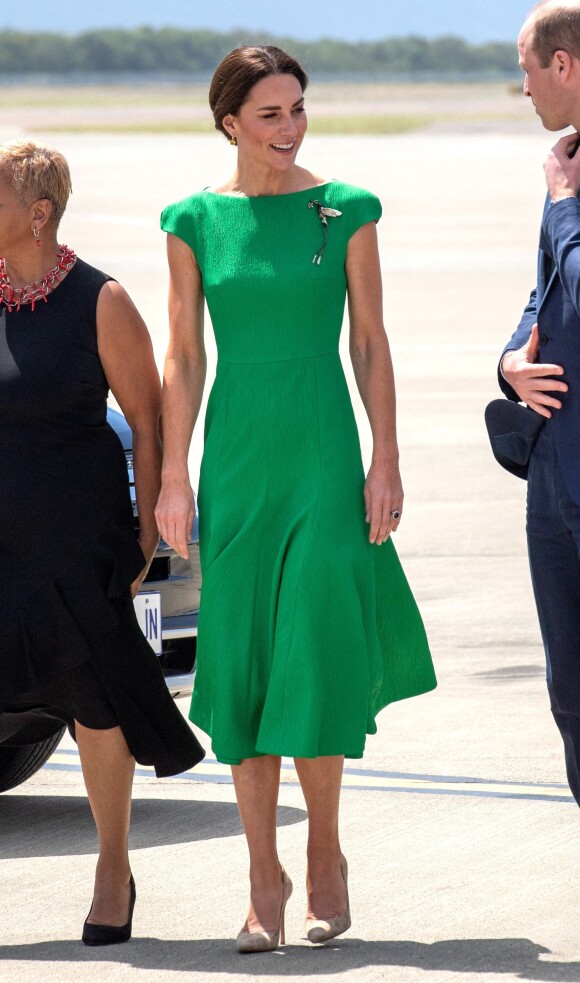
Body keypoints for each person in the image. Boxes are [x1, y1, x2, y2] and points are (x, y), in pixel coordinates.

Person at [156, 46, 435, 953]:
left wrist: (384, 458)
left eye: (298, 109)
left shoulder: (346, 208)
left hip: (322, 453)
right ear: (229, 120)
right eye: (270, 113)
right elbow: (186, 356)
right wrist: (171, 473)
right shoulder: (195, 220)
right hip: (238, 460)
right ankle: (260, 878)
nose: (289, 128)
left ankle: (323, 853)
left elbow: (370, 341)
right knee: (242, 662)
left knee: (312, 650)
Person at [0, 140, 204, 945]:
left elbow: (147, 420)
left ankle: (112, 865)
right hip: (1, 539)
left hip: (77, 536)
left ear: (38, 212)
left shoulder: (100, 299)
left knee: (93, 700)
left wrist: (148, 533)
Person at [498, 0, 580, 805]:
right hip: (554, 475)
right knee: (570, 697)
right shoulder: (570, 159)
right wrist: (508, 361)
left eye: (527, 67)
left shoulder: (566, 182)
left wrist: (565, 205)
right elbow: (546, 293)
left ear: (565, 65)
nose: (522, 87)